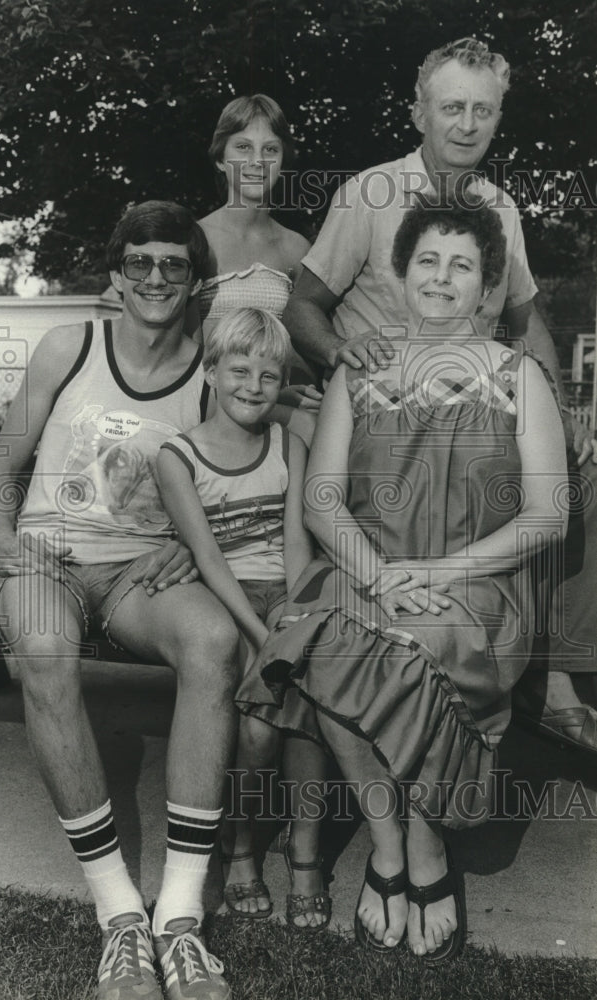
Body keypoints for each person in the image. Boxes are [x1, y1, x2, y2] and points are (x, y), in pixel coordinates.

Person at [252, 198, 568, 961]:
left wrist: (433, 572)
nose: (440, 277)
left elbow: (546, 515)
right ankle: (386, 841)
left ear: (486, 284)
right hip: (366, 571)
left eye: (461, 265)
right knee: (322, 639)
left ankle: (423, 849)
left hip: (477, 585)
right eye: (427, 260)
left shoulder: (517, 376)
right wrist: (383, 576)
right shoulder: (357, 371)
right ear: (400, 272)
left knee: (405, 647)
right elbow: (323, 499)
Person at [283, 36, 597, 756]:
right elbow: (302, 303)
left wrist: (557, 408)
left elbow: (524, 319)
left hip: (480, 412)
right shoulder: (368, 195)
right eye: (450, 107)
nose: (465, 125)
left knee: (577, 481)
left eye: (481, 111)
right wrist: (337, 354)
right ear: (417, 112)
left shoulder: (499, 205)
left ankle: (550, 675)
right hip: (385, 420)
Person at [0, 201, 238, 1000]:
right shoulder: (70, 346)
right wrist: (6, 544)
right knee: (45, 655)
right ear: (117, 277)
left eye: (174, 265)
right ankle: (121, 918)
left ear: (196, 282)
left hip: (136, 574)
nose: (156, 278)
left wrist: (186, 543)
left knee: (214, 642)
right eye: (141, 263)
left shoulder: (210, 372)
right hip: (47, 557)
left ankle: (180, 922)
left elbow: (236, 478)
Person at [157, 307, 331, 931]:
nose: (253, 386)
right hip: (226, 599)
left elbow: (295, 548)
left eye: (269, 374)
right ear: (209, 369)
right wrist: (261, 638)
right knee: (256, 735)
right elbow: (206, 557)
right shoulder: (177, 456)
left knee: (311, 705)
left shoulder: (289, 444)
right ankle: (240, 848)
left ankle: (306, 852)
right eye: (239, 370)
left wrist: (291, 621)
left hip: (283, 595)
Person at [191, 93, 322, 409]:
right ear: (221, 158)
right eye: (243, 147)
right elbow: (181, 352)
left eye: (270, 150)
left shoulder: (296, 248)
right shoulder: (195, 240)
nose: (257, 162)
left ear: (282, 162)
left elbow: (304, 354)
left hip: (270, 409)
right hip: (202, 409)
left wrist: (279, 396)